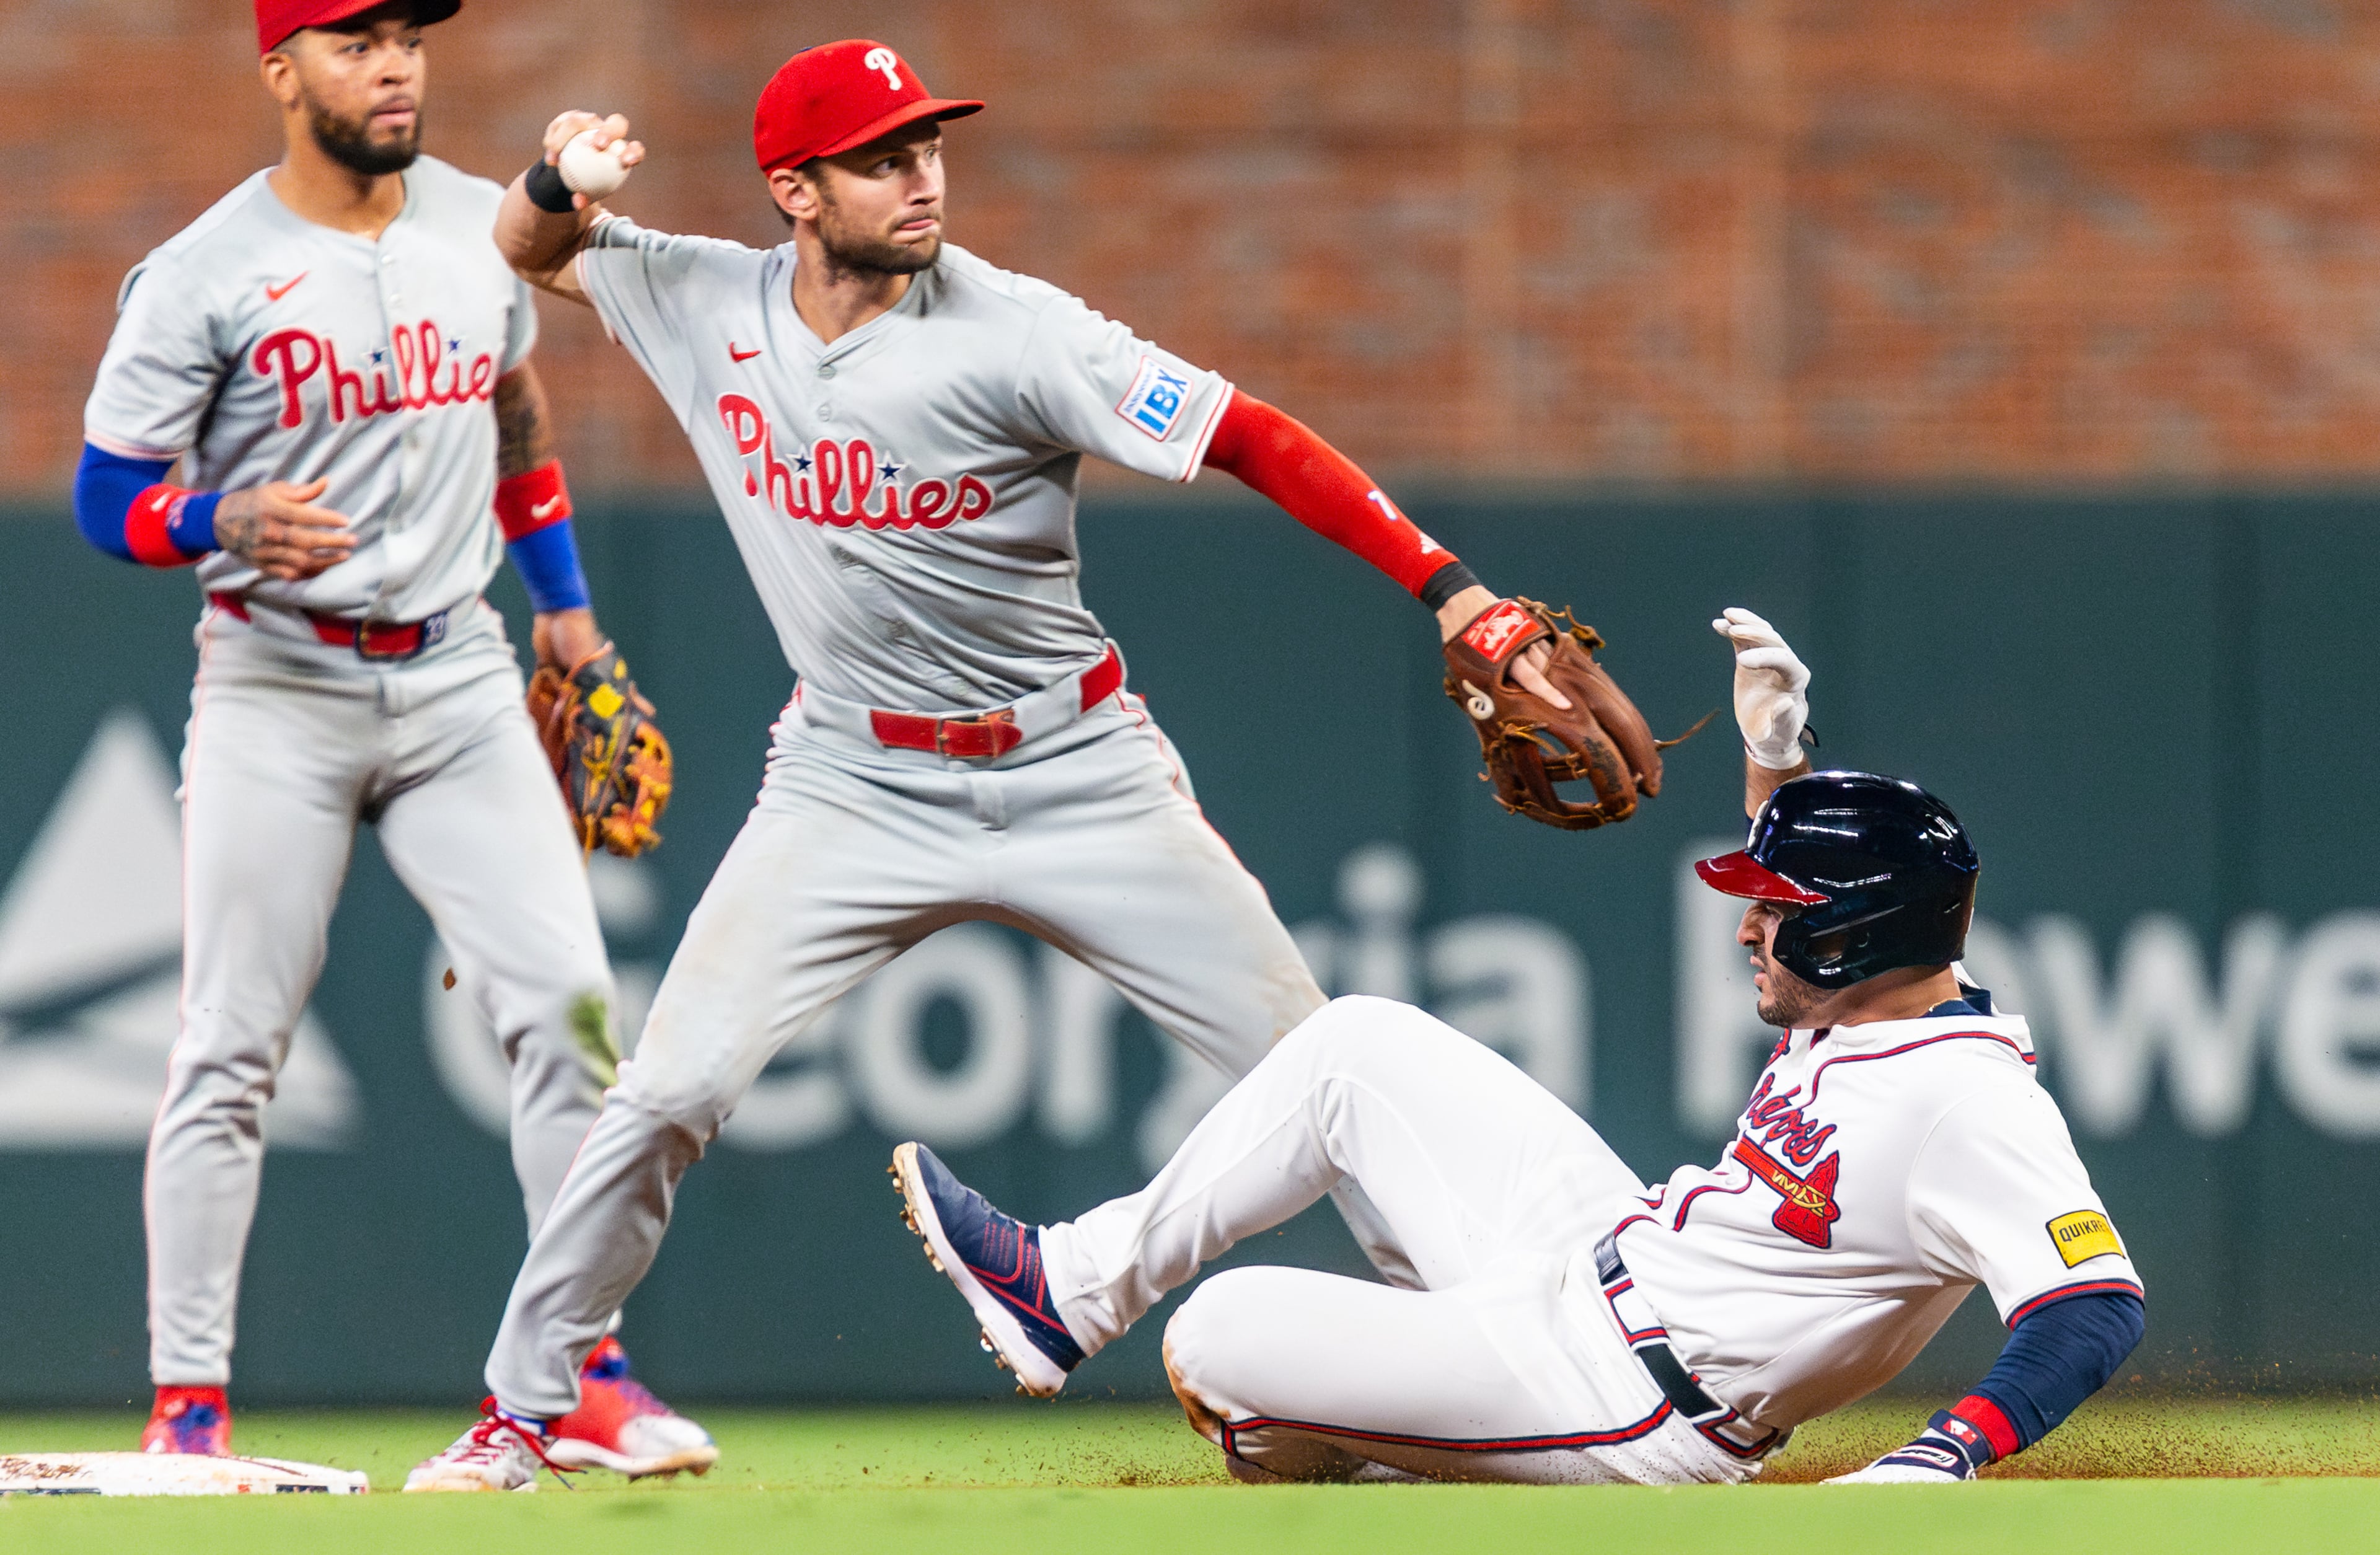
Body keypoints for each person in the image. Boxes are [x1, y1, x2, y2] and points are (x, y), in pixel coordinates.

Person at [403, 37, 1580, 1489]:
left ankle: (1477, 1380)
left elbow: (1249, 436)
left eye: (930, 145)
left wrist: (1448, 587)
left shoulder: (1023, 331)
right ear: (796, 188)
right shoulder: (700, 295)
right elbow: (528, 249)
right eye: (883, 156)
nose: (922, 175)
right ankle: (524, 1410)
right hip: (849, 781)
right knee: (663, 1092)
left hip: (1077, 767)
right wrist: (547, 181)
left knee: (1316, 1073)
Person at [890, 608, 2146, 1486]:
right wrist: (1775, 762)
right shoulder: (1881, 991)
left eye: (1779, 910)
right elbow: (1833, 888)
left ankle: (1418, 1434)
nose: (1750, 927)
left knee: (1221, 1340)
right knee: (1359, 1043)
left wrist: (1950, 1446)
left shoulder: (1968, 1103)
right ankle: (1067, 1288)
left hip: (1628, 1408)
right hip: (1589, 1255)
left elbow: (2090, 1306)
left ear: (1860, 931)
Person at [76, 0, 710, 1478]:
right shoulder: (201, 274)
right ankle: (188, 1412)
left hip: (461, 680)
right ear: (282, 70)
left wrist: (568, 619)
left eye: (410, 36)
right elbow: (109, 496)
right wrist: (208, 518)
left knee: (572, 1019)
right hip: (275, 688)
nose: (397, 62)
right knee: (230, 1046)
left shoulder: (475, 236)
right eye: (358, 38)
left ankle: (577, 1380)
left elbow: (515, 415)